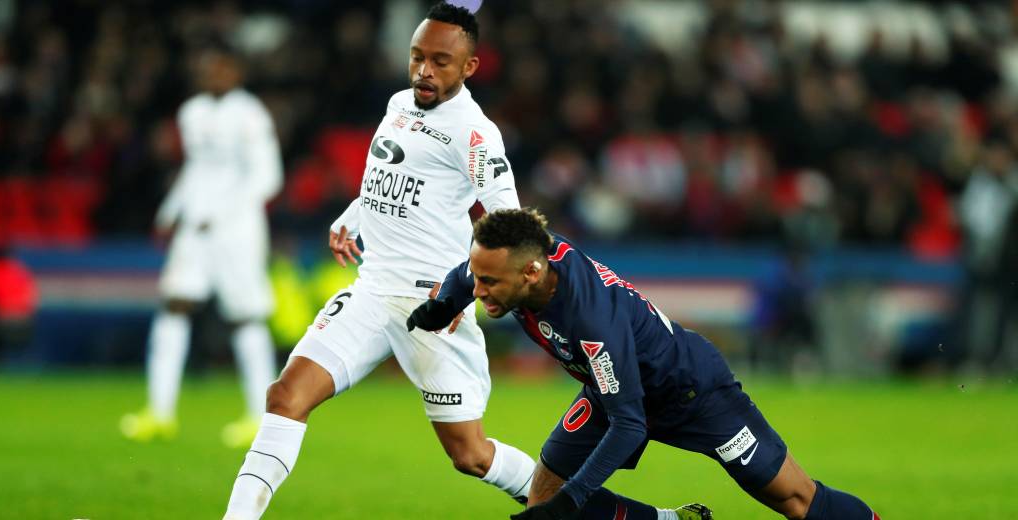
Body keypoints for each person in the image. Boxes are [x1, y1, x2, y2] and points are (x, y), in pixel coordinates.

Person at [222, 3, 537, 519]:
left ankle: (570, 504)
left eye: (440, 61)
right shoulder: (399, 104)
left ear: (470, 67)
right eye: (417, 57)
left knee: (471, 455)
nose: (424, 71)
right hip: (372, 290)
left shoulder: (475, 133)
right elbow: (386, 177)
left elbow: (509, 224)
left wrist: (469, 289)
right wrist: (353, 216)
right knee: (285, 396)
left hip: (432, 305)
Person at [408, 208, 881, 520]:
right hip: (609, 387)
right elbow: (467, 271)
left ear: (531, 272)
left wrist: (575, 501)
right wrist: (445, 305)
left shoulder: (591, 321)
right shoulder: (523, 256)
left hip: (691, 393)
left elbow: (628, 424)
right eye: (479, 278)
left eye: (490, 282)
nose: (479, 290)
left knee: (796, 501)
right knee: (543, 495)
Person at [119, 44, 283, 449]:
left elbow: (267, 176)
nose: (214, 75)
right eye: (208, 68)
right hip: (195, 226)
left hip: (237, 229)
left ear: (237, 73)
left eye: (222, 68)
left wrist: (225, 213)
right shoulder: (192, 112)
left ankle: (260, 417)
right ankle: (159, 412)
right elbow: (196, 167)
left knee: (244, 318)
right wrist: (171, 209)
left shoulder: (250, 114)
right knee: (174, 303)